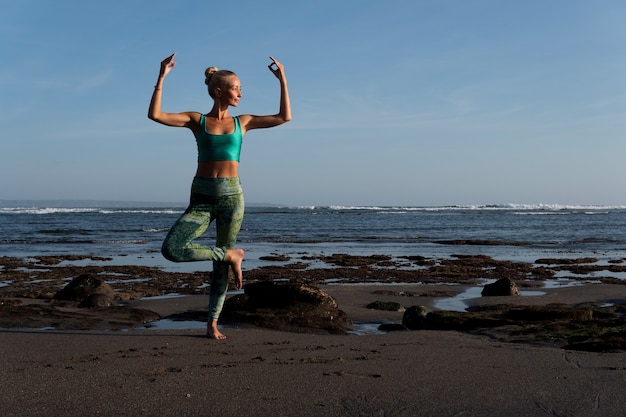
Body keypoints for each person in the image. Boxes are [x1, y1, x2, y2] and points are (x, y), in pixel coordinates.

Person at [148, 53, 291, 339]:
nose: (240, 92)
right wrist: (161, 77)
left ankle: (212, 322)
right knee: (172, 249)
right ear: (218, 91)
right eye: (236, 87)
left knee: (220, 269)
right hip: (201, 196)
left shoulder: (244, 121)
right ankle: (230, 254)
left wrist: (282, 79)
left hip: (231, 197)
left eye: (240, 87)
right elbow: (156, 115)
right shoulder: (196, 120)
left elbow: (284, 117)